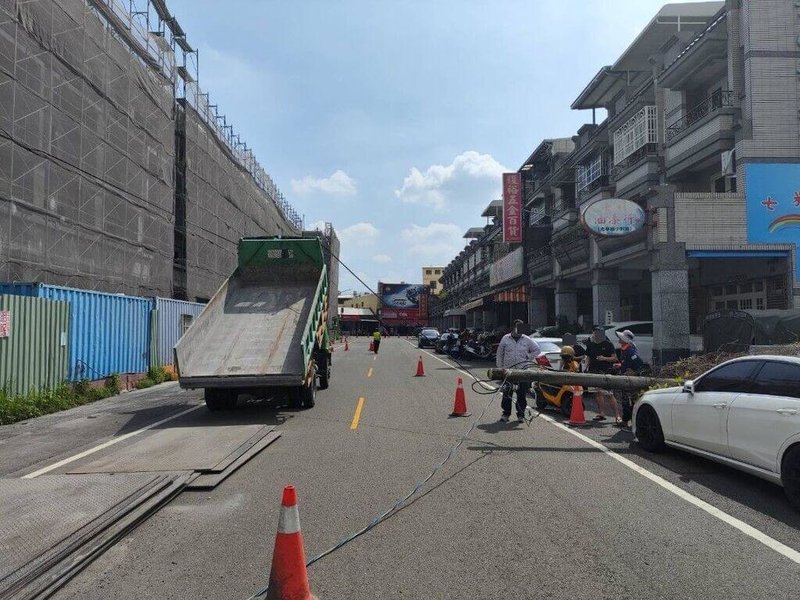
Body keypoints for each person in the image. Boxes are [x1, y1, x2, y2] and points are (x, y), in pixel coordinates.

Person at [496, 319, 541, 422]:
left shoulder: (527, 339)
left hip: (523, 372)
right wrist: (500, 368)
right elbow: (500, 353)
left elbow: (537, 350)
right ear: (513, 327)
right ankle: (506, 414)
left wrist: (528, 356)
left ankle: (520, 415)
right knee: (507, 393)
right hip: (508, 371)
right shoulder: (505, 339)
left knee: (521, 394)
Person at [583, 325, 621, 423]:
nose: (596, 335)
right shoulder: (590, 345)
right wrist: (585, 367)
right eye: (595, 333)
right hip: (593, 371)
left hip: (605, 372)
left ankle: (617, 415)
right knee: (597, 393)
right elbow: (588, 357)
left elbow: (615, 358)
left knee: (609, 394)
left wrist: (604, 358)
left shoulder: (608, 344)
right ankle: (601, 413)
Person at [613, 329, 647, 428]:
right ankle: (626, 420)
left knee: (629, 401)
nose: (619, 340)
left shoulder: (630, 351)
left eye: (620, 338)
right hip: (626, 378)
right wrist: (620, 365)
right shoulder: (625, 350)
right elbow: (627, 363)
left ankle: (629, 421)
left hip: (630, 380)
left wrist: (633, 372)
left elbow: (638, 364)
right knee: (626, 401)